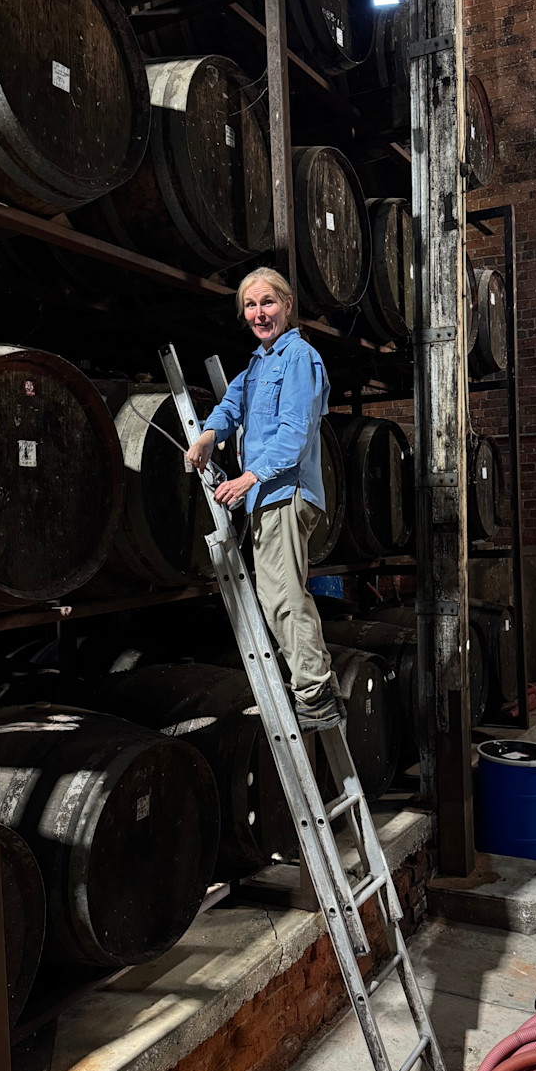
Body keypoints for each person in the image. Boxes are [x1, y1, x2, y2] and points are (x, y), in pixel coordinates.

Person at [185, 267, 345, 732]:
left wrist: (248, 477)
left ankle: (315, 693)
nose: (259, 313)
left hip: (284, 491)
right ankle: (317, 688)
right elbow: (231, 405)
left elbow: (295, 433)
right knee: (276, 593)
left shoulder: (300, 358)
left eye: (267, 303)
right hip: (269, 497)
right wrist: (209, 437)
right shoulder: (259, 363)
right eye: (251, 306)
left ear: (287, 304)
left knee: (283, 596)